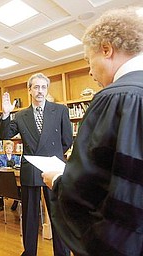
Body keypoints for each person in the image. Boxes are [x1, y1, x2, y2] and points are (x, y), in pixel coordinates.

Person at [42, 6, 143, 256]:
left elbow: (87, 193)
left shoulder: (116, 98)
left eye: (89, 60)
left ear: (106, 49)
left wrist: (57, 180)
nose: (89, 71)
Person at [0, 72, 73, 256]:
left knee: (57, 215)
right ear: (29, 90)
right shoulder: (20, 115)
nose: (40, 91)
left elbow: (67, 140)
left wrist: (52, 156)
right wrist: (6, 114)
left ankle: (61, 253)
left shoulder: (60, 110)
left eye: (43, 87)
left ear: (47, 89)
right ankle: (29, 252)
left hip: (53, 167)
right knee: (30, 217)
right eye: (36, 87)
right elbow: (5, 134)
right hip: (30, 168)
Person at [0, 140, 21, 211]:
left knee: (17, 187)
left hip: (14, 176)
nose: (8, 149)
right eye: (7, 148)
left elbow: (18, 165)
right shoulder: (1, 157)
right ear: (4, 149)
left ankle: (15, 202)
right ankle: (1, 204)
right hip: (4, 177)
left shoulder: (16, 157)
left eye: (10, 148)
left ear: (12, 149)